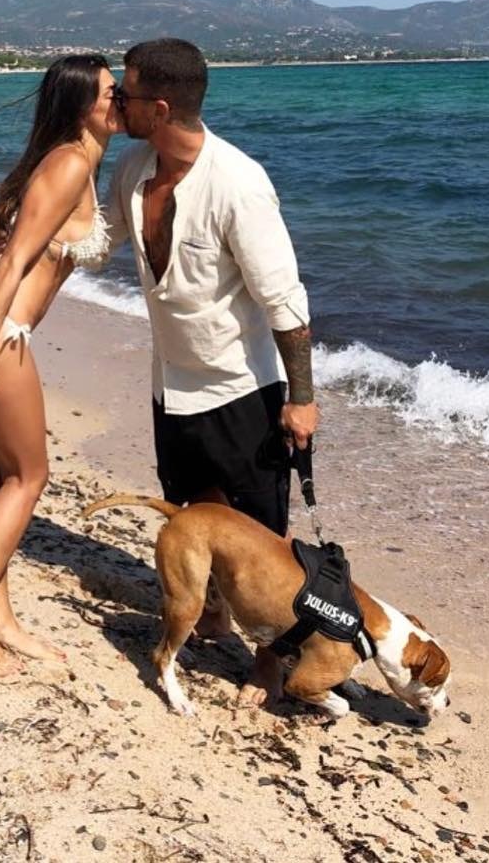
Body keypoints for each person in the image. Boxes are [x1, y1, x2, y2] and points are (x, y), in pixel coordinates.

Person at [105, 37, 319, 705]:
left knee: (262, 535)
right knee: (194, 510)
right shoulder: (133, 169)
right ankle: (215, 615)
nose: (115, 101)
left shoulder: (238, 184)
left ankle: (270, 660)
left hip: (241, 389)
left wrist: (302, 399)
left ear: (160, 107)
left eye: (124, 92)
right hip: (171, 383)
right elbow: (100, 239)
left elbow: (286, 304)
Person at [0, 54, 119, 676]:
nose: (119, 100)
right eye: (110, 92)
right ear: (82, 105)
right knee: (29, 477)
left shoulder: (61, 161)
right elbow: (10, 264)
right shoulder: (69, 164)